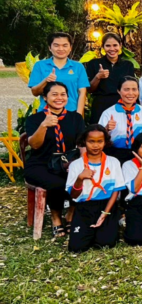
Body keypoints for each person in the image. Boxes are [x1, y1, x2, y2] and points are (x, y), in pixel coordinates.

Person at [24, 82, 85, 237]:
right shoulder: (35, 119)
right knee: (57, 182)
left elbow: (82, 144)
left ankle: (71, 213)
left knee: (81, 178)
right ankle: (56, 216)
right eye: (54, 94)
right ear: (45, 97)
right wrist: (44, 125)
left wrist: (82, 163)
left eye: (63, 94)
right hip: (41, 163)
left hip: (68, 162)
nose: (59, 98)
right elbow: (35, 145)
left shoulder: (75, 118)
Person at [66, 125, 125, 252]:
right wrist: (79, 179)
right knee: (76, 248)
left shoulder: (113, 162)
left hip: (106, 206)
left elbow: (116, 191)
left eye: (100, 141)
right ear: (84, 142)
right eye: (91, 141)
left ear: (105, 142)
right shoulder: (76, 165)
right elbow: (74, 196)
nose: (96, 145)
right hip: (84, 207)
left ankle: (109, 224)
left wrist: (105, 213)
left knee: (106, 244)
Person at [29, 32, 89, 115]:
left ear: (70, 48)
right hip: (46, 114)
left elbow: (82, 93)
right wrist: (46, 81)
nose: (61, 49)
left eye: (65, 45)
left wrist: (78, 115)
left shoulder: (78, 67)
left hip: (71, 113)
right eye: (56, 45)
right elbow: (35, 92)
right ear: (50, 47)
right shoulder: (40, 65)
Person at [99, 76, 142, 164]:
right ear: (118, 91)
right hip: (115, 155)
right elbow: (98, 138)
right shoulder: (109, 112)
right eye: (126, 89)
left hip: (139, 155)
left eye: (134, 89)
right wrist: (106, 129)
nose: (131, 93)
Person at [84, 33, 136, 124]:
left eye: (115, 45)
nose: (112, 49)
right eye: (108, 46)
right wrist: (98, 77)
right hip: (101, 105)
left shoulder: (128, 65)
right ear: (103, 47)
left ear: (120, 46)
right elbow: (89, 89)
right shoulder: (94, 64)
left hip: (122, 104)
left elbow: (131, 87)